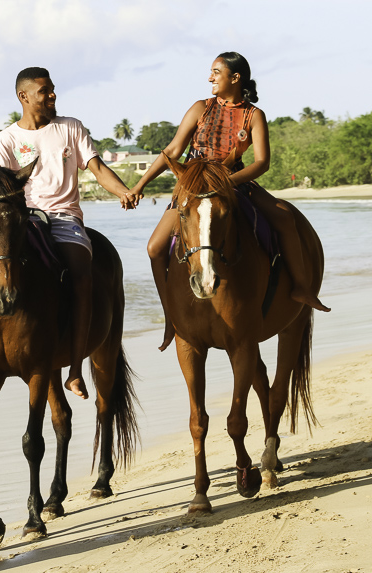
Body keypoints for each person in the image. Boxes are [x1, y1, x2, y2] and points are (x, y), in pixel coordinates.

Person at [0, 67, 140, 400]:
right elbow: (1, 191)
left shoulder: (70, 128)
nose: (52, 95)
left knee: (82, 276)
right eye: (44, 91)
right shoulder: (6, 140)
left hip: (65, 218)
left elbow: (96, 168)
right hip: (22, 220)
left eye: (52, 90)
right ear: (24, 96)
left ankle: (77, 371)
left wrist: (122, 191)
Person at [130, 51, 330, 351]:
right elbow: (172, 150)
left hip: (234, 183)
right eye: (211, 72)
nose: (210, 77)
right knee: (155, 247)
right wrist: (139, 185)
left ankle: (301, 287)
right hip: (194, 187)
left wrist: (226, 181)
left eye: (216, 72)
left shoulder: (254, 115)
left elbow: (262, 162)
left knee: (285, 217)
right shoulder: (200, 108)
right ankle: (171, 315)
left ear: (235, 78)